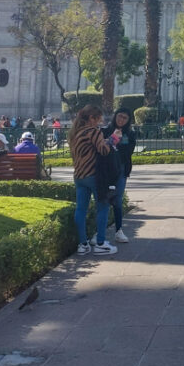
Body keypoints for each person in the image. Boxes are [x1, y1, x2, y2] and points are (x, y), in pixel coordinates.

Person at [70, 105, 118, 255]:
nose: (99, 122)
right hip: (93, 175)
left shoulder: (74, 133)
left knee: (81, 210)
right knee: (103, 207)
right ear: (91, 118)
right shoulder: (93, 131)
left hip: (79, 176)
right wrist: (112, 141)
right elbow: (103, 150)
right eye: (98, 119)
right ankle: (100, 243)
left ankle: (83, 244)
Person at [100, 106, 136, 244]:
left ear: (128, 120)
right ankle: (99, 231)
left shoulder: (130, 134)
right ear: (115, 116)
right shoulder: (105, 131)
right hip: (106, 170)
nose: (121, 120)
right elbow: (103, 150)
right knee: (103, 200)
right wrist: (114, 138)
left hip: (121, 170)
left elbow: (127, 153)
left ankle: (119, 230)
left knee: (117, 200)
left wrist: (116, 143)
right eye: (120, 116)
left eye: (125, 118)